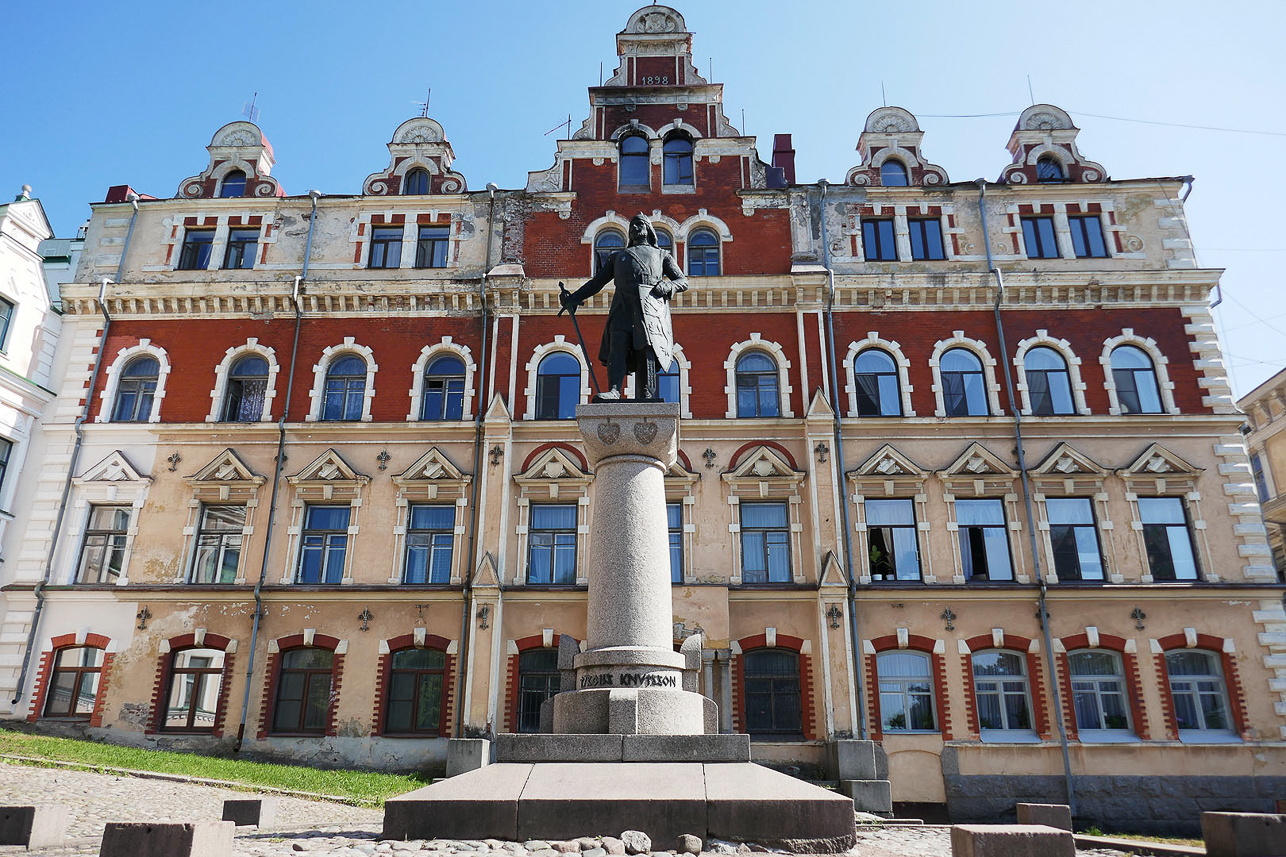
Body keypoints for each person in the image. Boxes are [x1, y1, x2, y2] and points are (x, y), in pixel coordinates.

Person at [560, 214, 689, 401]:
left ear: (648, 230)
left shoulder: (662, 255)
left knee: (646, 348)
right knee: (617, 345)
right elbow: (596, 283)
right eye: (632, 226)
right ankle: (614, 390)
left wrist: (668, 286)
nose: (635, 228)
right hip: (622, 306)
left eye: (639, 225)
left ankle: (647, 392)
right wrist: (573, 298)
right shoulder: (618, 257)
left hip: (648, 306)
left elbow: (682, 281)